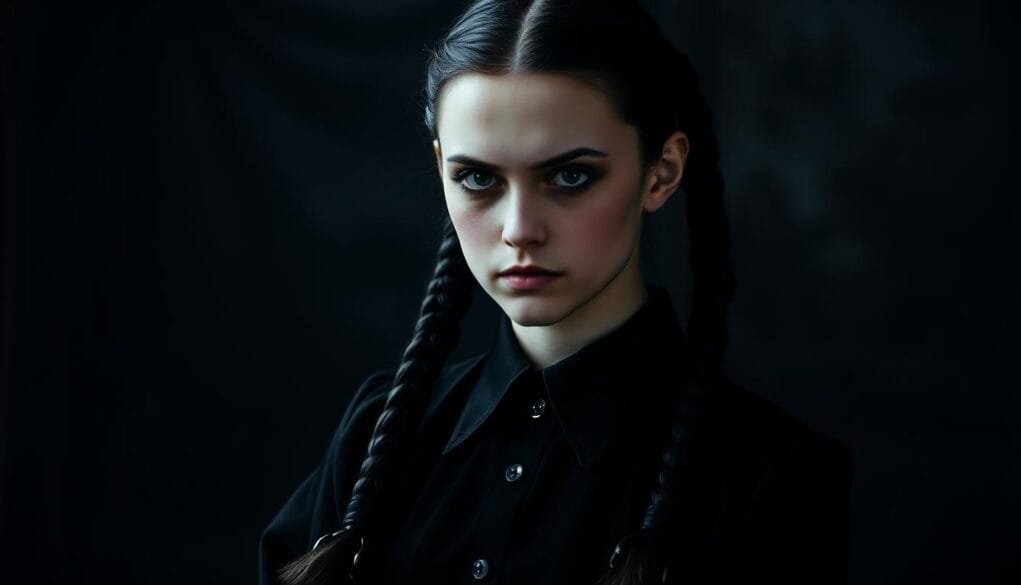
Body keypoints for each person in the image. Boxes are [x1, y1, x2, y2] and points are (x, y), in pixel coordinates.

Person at [258, 0, 854, 583]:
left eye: (570, 176)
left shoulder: (770, 480)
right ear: (441, 168)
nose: (520, 229)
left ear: (661, 171)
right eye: (478, 178)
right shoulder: (374, 436)